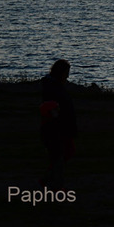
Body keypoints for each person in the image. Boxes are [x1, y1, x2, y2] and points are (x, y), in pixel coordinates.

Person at [40, 59, 77, 190]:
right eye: (67, 72)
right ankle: (56, 185)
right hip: (57, 127)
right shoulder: (54, 88)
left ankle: (49, 179)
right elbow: (54, 109)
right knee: (60, 155)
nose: (68, 75)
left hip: (59, 126)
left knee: (63, 153)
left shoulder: (53, 86)